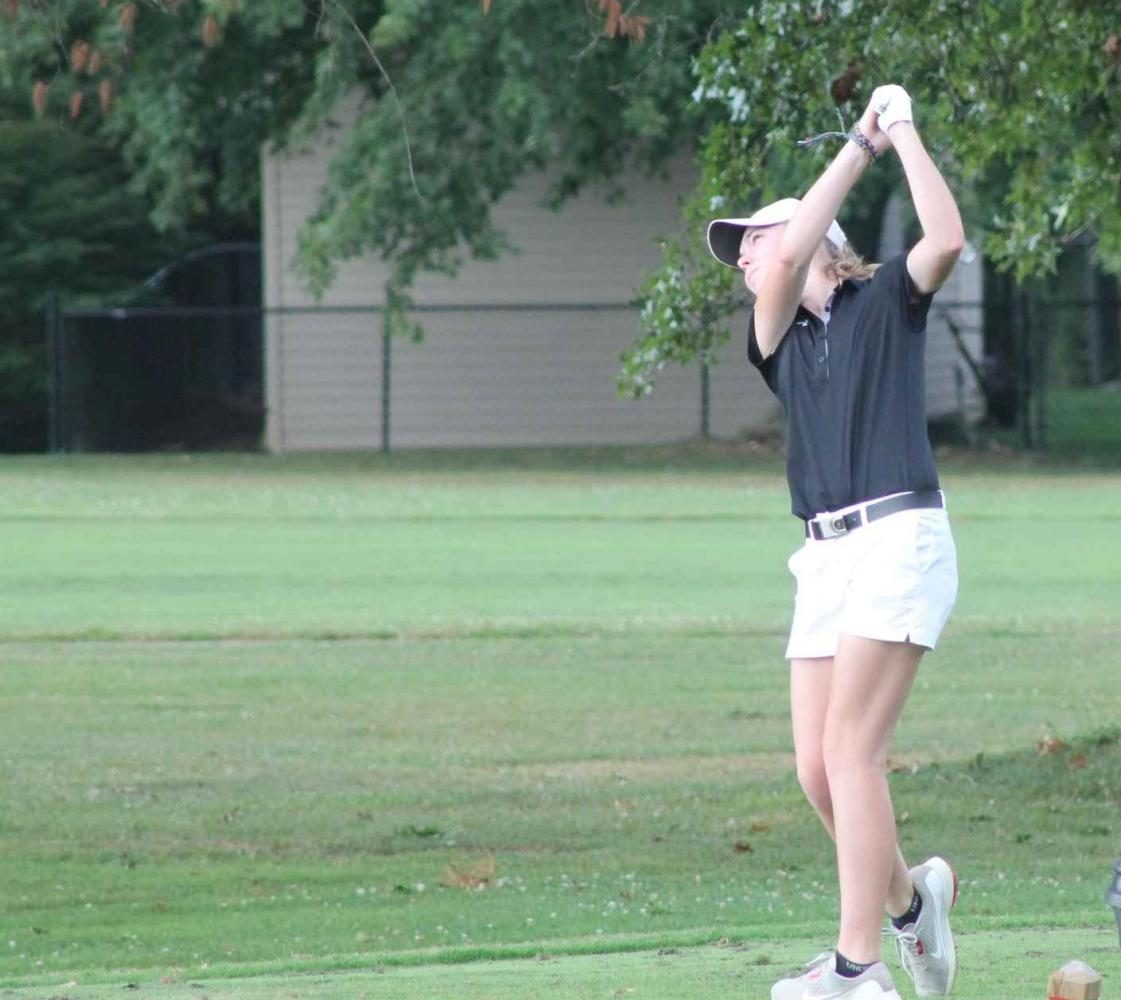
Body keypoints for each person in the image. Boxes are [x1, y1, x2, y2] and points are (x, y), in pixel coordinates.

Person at [706, 85, 963, 1000]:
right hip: (822, 556)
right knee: (817, 769)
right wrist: (857, 142)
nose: (742, 256)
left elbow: (945, 238)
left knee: (853, 751)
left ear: (815, 236)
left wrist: (900, 130)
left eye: (756, 237)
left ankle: (858, 972)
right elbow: (778, 280)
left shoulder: (885, 300)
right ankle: (913, 905)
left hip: (899, 533)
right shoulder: (775, 334)